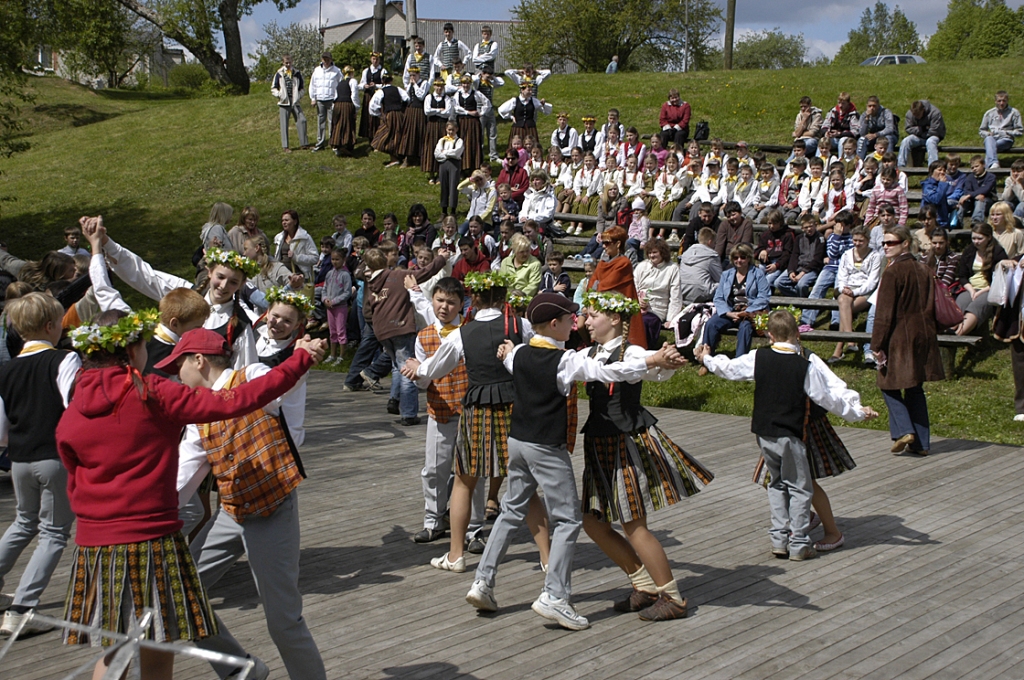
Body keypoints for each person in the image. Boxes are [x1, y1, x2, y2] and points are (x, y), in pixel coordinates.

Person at [56, 311, 322, 680]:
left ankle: (245, 670)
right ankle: (240, 669)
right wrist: (300, 359)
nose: (171, 369)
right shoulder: (151, 393)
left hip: (98, 542)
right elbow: (224, 414)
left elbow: (72, 472)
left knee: (119, 642)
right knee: (164, 630)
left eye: (178, 362)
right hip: (156, 532)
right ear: (133, 350)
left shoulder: (73, 410)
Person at [465, 293, 685, 630]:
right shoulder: (566, 360)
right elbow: (607, 370)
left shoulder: (522, 352)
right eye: (571, 319)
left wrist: (507, 351)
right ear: (555, 324)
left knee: (511, 510)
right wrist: (652, 359)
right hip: (545, 449)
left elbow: (511, 359)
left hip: (518, 443)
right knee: (568, 521)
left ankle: (483, 581)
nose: (577, 323)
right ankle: (555, 596)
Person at [166, 329, 327, 680]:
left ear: (198, 360)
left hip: (272, 510)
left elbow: (280, 382)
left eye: (179, 364)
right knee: (180, 595)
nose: (176, 375)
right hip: (231, 512)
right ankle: (241, 670)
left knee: (283, 621)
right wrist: (149, 516)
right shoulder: (198, 416)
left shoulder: (251, 376)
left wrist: (303, 355)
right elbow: (182, 476)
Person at [697, 310, 877, 560]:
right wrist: (857, 413)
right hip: (792, 433)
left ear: (769, 335)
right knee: (801, 488)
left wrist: (707, 358)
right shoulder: (804, 366)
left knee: (777, 484)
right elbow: (828, 397)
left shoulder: (759, 357)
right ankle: (800, 543)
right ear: (797, 334)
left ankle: (780, 539)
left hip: (764, 433)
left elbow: (729, 368)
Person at [404, 270, 549, 573]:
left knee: (464, 481)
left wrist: (418, 367)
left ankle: (456, 556)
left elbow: (434, 368)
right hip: (515, 408)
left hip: (479, 409)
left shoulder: (462, 334)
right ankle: (548, 559)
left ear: (475, 299)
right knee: (526, 482)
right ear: (504, 298)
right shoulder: (519, 325)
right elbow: (546, 350)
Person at [0, 293, 79, 635]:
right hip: (53, 458)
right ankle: (21, 609)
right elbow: (74, 406)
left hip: (19, 460)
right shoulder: (63, 360)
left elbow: (1, 429)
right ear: (51, 326)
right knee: (54, 533)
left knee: (22, 523)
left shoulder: (8, 369)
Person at [871, 225, 944, 455]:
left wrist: (876, 345)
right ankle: (921, 444)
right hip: (923, 335)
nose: (886, 247)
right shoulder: (924, 269)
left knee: (887, 385)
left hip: (899, 337)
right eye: (884, 243)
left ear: (905, 243)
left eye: (891, 242)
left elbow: (884, 314)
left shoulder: (892, 272)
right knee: (914, 388)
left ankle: (904, 430)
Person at [365, 244, 450, 425]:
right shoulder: (397, 275)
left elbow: (366, 310)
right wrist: (441, 258)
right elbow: (424, 273)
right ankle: (409, 414)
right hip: (400, 327)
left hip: (382, 332)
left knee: (398, 367)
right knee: (409, 370)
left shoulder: (371, 285)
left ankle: (395, 401)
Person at [700, 243, 769, 366]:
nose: (739, 260)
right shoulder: (727, 275)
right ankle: (706, 359)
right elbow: (719, 297)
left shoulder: (758, 274)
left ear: (748, 258)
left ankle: (739, 363)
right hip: (731, 310)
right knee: (711, 324)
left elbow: (763, 297)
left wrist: (746, 312)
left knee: (745, 328)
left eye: (743, 257)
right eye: (736, 258)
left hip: (750, 312)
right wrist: (728, 313)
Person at [829, 225, 881, 362]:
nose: (857, 243)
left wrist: (855, 291)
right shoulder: (847, 254)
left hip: (865, 291)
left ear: (868, 240)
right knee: (843, 302)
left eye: (861, 241)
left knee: (844, 309)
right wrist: (843, 289)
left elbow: (872, 281)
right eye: (855, 240)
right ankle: (850, 340)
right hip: (847, 289)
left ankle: (839, 349)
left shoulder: (875, 256)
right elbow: (841, 276)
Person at [587, 226, 646, 348]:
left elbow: (604, 286)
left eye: (607, 243)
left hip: (620, 313)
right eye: (603, 243)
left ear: (618, 244)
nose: (604, 246)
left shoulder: (624, 263)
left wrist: (597, 285)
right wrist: (596, 286)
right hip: (603, 308)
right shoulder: (602, 263)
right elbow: (591, 286)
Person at [955, 221, 1007, 336]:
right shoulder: (969, 251)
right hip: (971, 288)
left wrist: (981, 292)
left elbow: (1001, 279)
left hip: (990, 289)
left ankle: (958, 334)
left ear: (988, 237)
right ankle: (950, 331)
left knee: (975, 307)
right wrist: (971, 290)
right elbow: (962, 275)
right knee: (959, 306)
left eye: (979, 238)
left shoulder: (998, 252)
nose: (976, 242)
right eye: (973, 238)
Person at [633, 239, 682, 349]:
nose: (651, 255)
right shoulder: (642, 266)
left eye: (655, 252)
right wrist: (637, 300)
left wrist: (670, 318)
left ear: (662, 252)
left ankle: (643, 349)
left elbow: (675, 295)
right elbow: (633, 286)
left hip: (657, 309)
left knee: (645, 322)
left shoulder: (672, 269)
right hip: (638, 305)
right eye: (650, 252)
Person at [775, 215, 825, 298]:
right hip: (798, 266)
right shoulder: (799, 238)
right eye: (806, 227)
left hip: (812, 269)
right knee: (779, 282)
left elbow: (817, 259)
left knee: (801, 285)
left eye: (811, 226)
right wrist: (791, 271)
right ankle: (800, 298)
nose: (809, 229)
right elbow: (794, 255)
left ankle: (803, 303)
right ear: (802, 228)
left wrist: (802, 273)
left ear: (815, 225)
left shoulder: (820, 238)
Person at [498, 81, 552, 152]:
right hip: (518, 127)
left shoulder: (534, 101)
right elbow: (501, 109)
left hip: (530, 127)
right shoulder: (515, 100)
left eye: (531, 90)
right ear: (522, 90)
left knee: (531, 144)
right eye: (528, 90)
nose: (530, 92)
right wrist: (511, 116)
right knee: (517, 144)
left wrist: (544, 104)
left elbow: (546, 111)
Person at [271, 54, 308, 152]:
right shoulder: (279, 73)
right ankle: (285, 146)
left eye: (289, 62)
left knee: (302, 120)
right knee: (284, 124)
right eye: (286, 63)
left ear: (292, 62)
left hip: (295, 101)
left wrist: (298, 96)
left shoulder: (297, 73)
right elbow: (273, 88)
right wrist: (280, 95)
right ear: (283, 63)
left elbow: (302, 88)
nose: (288, 64)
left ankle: (304, 143)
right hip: (284, 102)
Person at [322, 246, 352, 363]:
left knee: (341, 331)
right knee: (332, 331)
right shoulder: (329, 273)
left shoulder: (345, 275)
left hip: (340, 307)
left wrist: (334, 301)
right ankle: (332, 354)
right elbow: (324, 288)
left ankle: (342, 355)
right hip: (330, 308)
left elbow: (347, 292)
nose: (334, 262)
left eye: (337, 259)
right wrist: (325, 299)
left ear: (343, 260)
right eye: (333, 259)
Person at [979, 91, 1022, 169]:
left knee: (990, 147)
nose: (1001, 103)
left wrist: (1006, 132)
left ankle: (988, 166)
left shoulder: (1014, 113)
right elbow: (981, 131)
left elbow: (1020, 131)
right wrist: (988, 134)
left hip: (1006, 139)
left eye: (1004, 101)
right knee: (989, 140)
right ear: (995, 101)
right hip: (992, 138)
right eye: (999, 101)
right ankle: (993, 164)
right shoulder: (989, 113)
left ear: (1007, 100)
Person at [678, 227, 721, 304]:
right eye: (714, 243)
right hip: (702, 293)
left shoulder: (686, 254)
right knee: (724, 283)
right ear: (710, 242)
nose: (715, 245)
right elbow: (719, 278)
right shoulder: (711, 256)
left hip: (683, 291)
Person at [308, 51, 341, 152]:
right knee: (320, 122)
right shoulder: (317, 70)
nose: (326, 61)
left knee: (332, 122)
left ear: (331, 60)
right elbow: (312, 85)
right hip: (320, 100)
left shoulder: (336, 71)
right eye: (324, 59)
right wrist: (313, 98)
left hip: (331, 99)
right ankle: (320, 143)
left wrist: (338, 98)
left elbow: (341, 85)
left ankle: (333, 143)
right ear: (322, 60)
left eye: (327, 59)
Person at [273, 209, 318, 282]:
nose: (284, 222)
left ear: (295, 221)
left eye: (287, 220)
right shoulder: (279, 238)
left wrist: (296, 257)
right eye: (282, 220)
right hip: (283, 277)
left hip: (300, 278)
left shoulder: (305, 237)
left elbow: (315, 258)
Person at [898, 100, 946, 167]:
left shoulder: (935, 113)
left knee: (930, 142)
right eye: (914, 115)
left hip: (933, 136)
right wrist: (922, 129)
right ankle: (900, 166)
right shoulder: (909, 114)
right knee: (906, 141)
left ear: (923, 110)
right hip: (918, 136)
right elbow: (908, 128)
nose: (916, 116)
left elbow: (935, 130)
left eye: (918, 114)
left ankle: (933, 167)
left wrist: (921, 132)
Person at [435, 120, 464, 218]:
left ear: (457, 129)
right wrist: (447, 154)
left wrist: (445, 152)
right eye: (449, 130)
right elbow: (437, 154)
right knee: (444, 186)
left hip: (454, 164)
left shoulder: (459, 141)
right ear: (446, 129)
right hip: (443, 164)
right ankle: (443, 210)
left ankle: (452, 210)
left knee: (453, 186)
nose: (451, 132)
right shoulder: (442, 140)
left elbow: (456, 153)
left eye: (453, 130)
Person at [957, 154, 998, 223]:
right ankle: (957, 221)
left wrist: (970, 195)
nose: (974, 169)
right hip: (972, 201)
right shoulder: (970, 177)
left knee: (980, 199)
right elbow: (967, 191)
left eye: (977, 166)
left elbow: (985, 189)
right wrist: (971, 195)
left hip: (988, 201)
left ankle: (977, 221)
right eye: (972, 168)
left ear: (983, 165)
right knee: (963, 200)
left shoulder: (991, 177)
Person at [856, 95, 898, 160]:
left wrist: (876, 134)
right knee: (861, 139)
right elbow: (862, 133)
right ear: (867, 106)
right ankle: (860, 162)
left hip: (888, 136)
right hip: (873, 138)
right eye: (870, 106)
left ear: (878, 106)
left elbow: (890, 129)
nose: (872, 108)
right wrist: (866, 119)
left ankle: (889, 161)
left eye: (874, 106)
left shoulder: (886, 112)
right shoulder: (864, 115)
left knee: (888, 138)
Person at [359, 52, 387, 140]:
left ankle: (377, 134)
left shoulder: (383, 71)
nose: (375, 61)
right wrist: (364, 86)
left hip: (378, 96)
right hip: (368, 95)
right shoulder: (366, 71)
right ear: (371, 59)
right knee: (367, 115)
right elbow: (361, 84)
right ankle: (368, 134)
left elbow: (385, 85)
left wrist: (376, 85)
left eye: (377, 59)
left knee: (377, 116)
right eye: (374, 59)